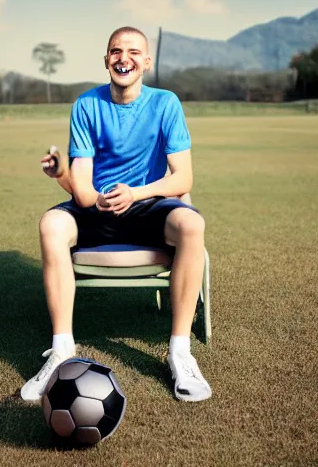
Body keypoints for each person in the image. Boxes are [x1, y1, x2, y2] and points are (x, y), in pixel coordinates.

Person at [21, 26, 212, 403]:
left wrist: (135, 193)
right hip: (100, 209)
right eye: (115, 51)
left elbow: (184, 178)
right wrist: (70, 178)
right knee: (52, 224)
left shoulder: (166, 104)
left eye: (133, 52)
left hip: (149, 205)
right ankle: (61, 349)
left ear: (146, 61)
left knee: (192, 222)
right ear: (106, 59)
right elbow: (83, 189)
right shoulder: (87, 105)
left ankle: (180, 351)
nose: (124, 58)